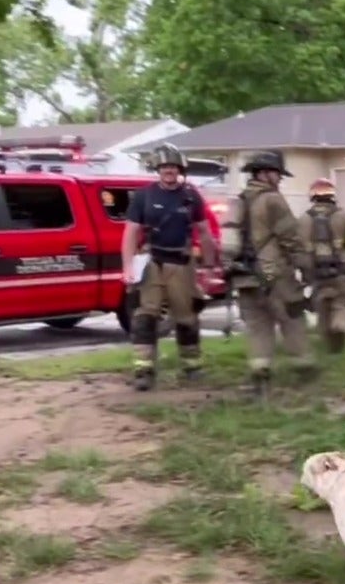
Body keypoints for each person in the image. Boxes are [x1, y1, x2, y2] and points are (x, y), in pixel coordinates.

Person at [122, 143, 216, 391]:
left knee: (186, 317)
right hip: (151, 263)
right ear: (157, 169)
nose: (169, 171)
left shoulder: (191, 196)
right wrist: (127, 268)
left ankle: (192, 366)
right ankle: (143, 370)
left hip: (182, 264)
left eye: (173, 167)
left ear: (180, 169)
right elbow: (130, 233)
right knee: (145, 317)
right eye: (164, 167)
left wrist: (209, 266)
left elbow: (205, 233)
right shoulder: (143, 197)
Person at [227, 150, 313, 397]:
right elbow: (291, 239)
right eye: (277, 173)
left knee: (257, 326)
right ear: (265, 173)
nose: (280, 179)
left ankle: (260, 373)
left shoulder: (239, 200)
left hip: (244, 276)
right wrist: (306, 269)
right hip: (272, 274)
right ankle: (304, 368)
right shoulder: (273, 200)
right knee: (293, 318)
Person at [300, 177, 345, 354]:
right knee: (343, 303)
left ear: (312, 196)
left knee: (321, 310)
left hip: (316, 277)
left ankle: (328, 348)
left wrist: (304, 274)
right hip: (340, 274)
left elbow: (298, 251)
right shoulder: (342, 216)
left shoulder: (304, 219)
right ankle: (339, 326)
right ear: (332, 195)